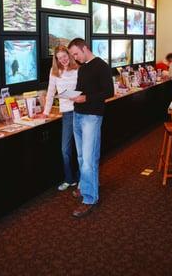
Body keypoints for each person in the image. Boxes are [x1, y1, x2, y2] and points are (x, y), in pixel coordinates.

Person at [68, 38, 114, 218]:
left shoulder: (101, 66)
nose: (75, 57)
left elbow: (108, 92)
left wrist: (85, 98)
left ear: (85, 48)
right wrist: (74, 96)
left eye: (76, 54)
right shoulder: (84, 66)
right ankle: (86, 185)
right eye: (72, 55)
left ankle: (89, 198)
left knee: (88, 158)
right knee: (81, 156)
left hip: (91, 116)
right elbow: (83, 90)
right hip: (77, 114)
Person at [40, 45, 79, 191]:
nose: (63, 60)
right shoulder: (54, 71)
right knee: (65, 150)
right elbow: (50, 92)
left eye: (65, 56)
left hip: (80, 111)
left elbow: (85, 90)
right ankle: (70, 179)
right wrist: (46, 112)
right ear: (56, 60)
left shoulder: (77, 69)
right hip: (67, 113)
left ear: (69, 55)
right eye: (59, 58)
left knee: (81, 150)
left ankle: (82, 178)